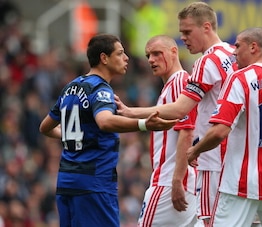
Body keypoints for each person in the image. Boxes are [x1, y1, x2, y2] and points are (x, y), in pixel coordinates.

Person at [115, 2, 237, 226]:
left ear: (207, 27)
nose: (184, 38)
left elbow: (184, 118)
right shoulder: (234, 55)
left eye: (188, 32)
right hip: (236, 161)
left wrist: (130, 112)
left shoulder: (197, 68)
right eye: (148, 55)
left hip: (208, 162)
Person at [39, 34, 178, 227]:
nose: (126, 58)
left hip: (66, 182)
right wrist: (144, 124)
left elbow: (45, 127)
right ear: (104, 58)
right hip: (94, 184)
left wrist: (74, 136)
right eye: (120, 53)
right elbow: (105, 122)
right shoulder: (100, 89)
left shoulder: (70, 87)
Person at [186, 27, 262, 227]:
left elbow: (219, 131)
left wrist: (194, 150)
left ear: (253, 47)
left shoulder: (239, 78)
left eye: (237, 45)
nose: (233, 52)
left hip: (239, 184)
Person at [136, 35, 197, 226]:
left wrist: (177, 180)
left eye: (156, 53)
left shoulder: (179, 82)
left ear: (173, 52)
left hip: (168, 181)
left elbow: (186, 132)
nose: (151, 60)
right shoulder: (172, 85)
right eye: (148, 56)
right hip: (184, 181)